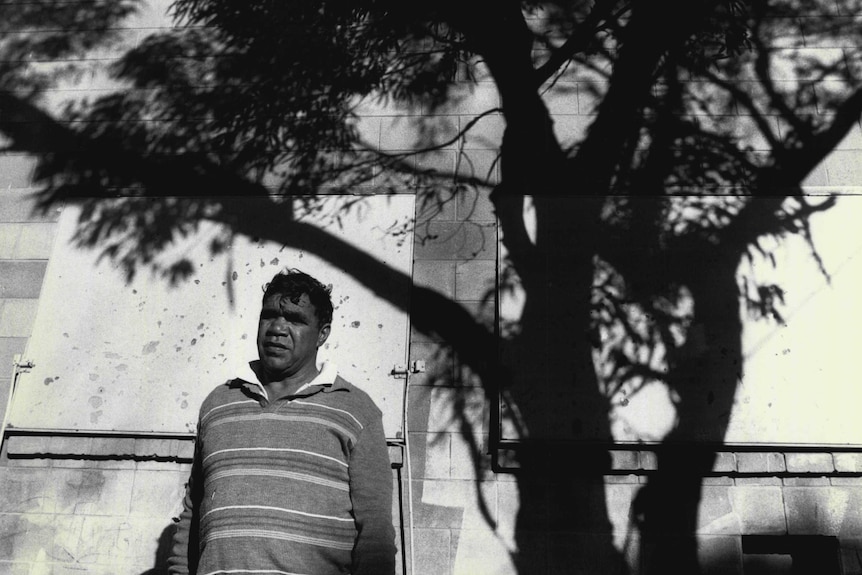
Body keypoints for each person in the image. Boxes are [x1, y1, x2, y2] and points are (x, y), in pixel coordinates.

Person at [168, 269, 396, 574]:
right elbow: (193, 514)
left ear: (323, 333)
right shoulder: (218, 404)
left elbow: (375, 533)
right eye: (269, 315)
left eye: (295, 319)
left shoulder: (355, 411)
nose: (277, 328)